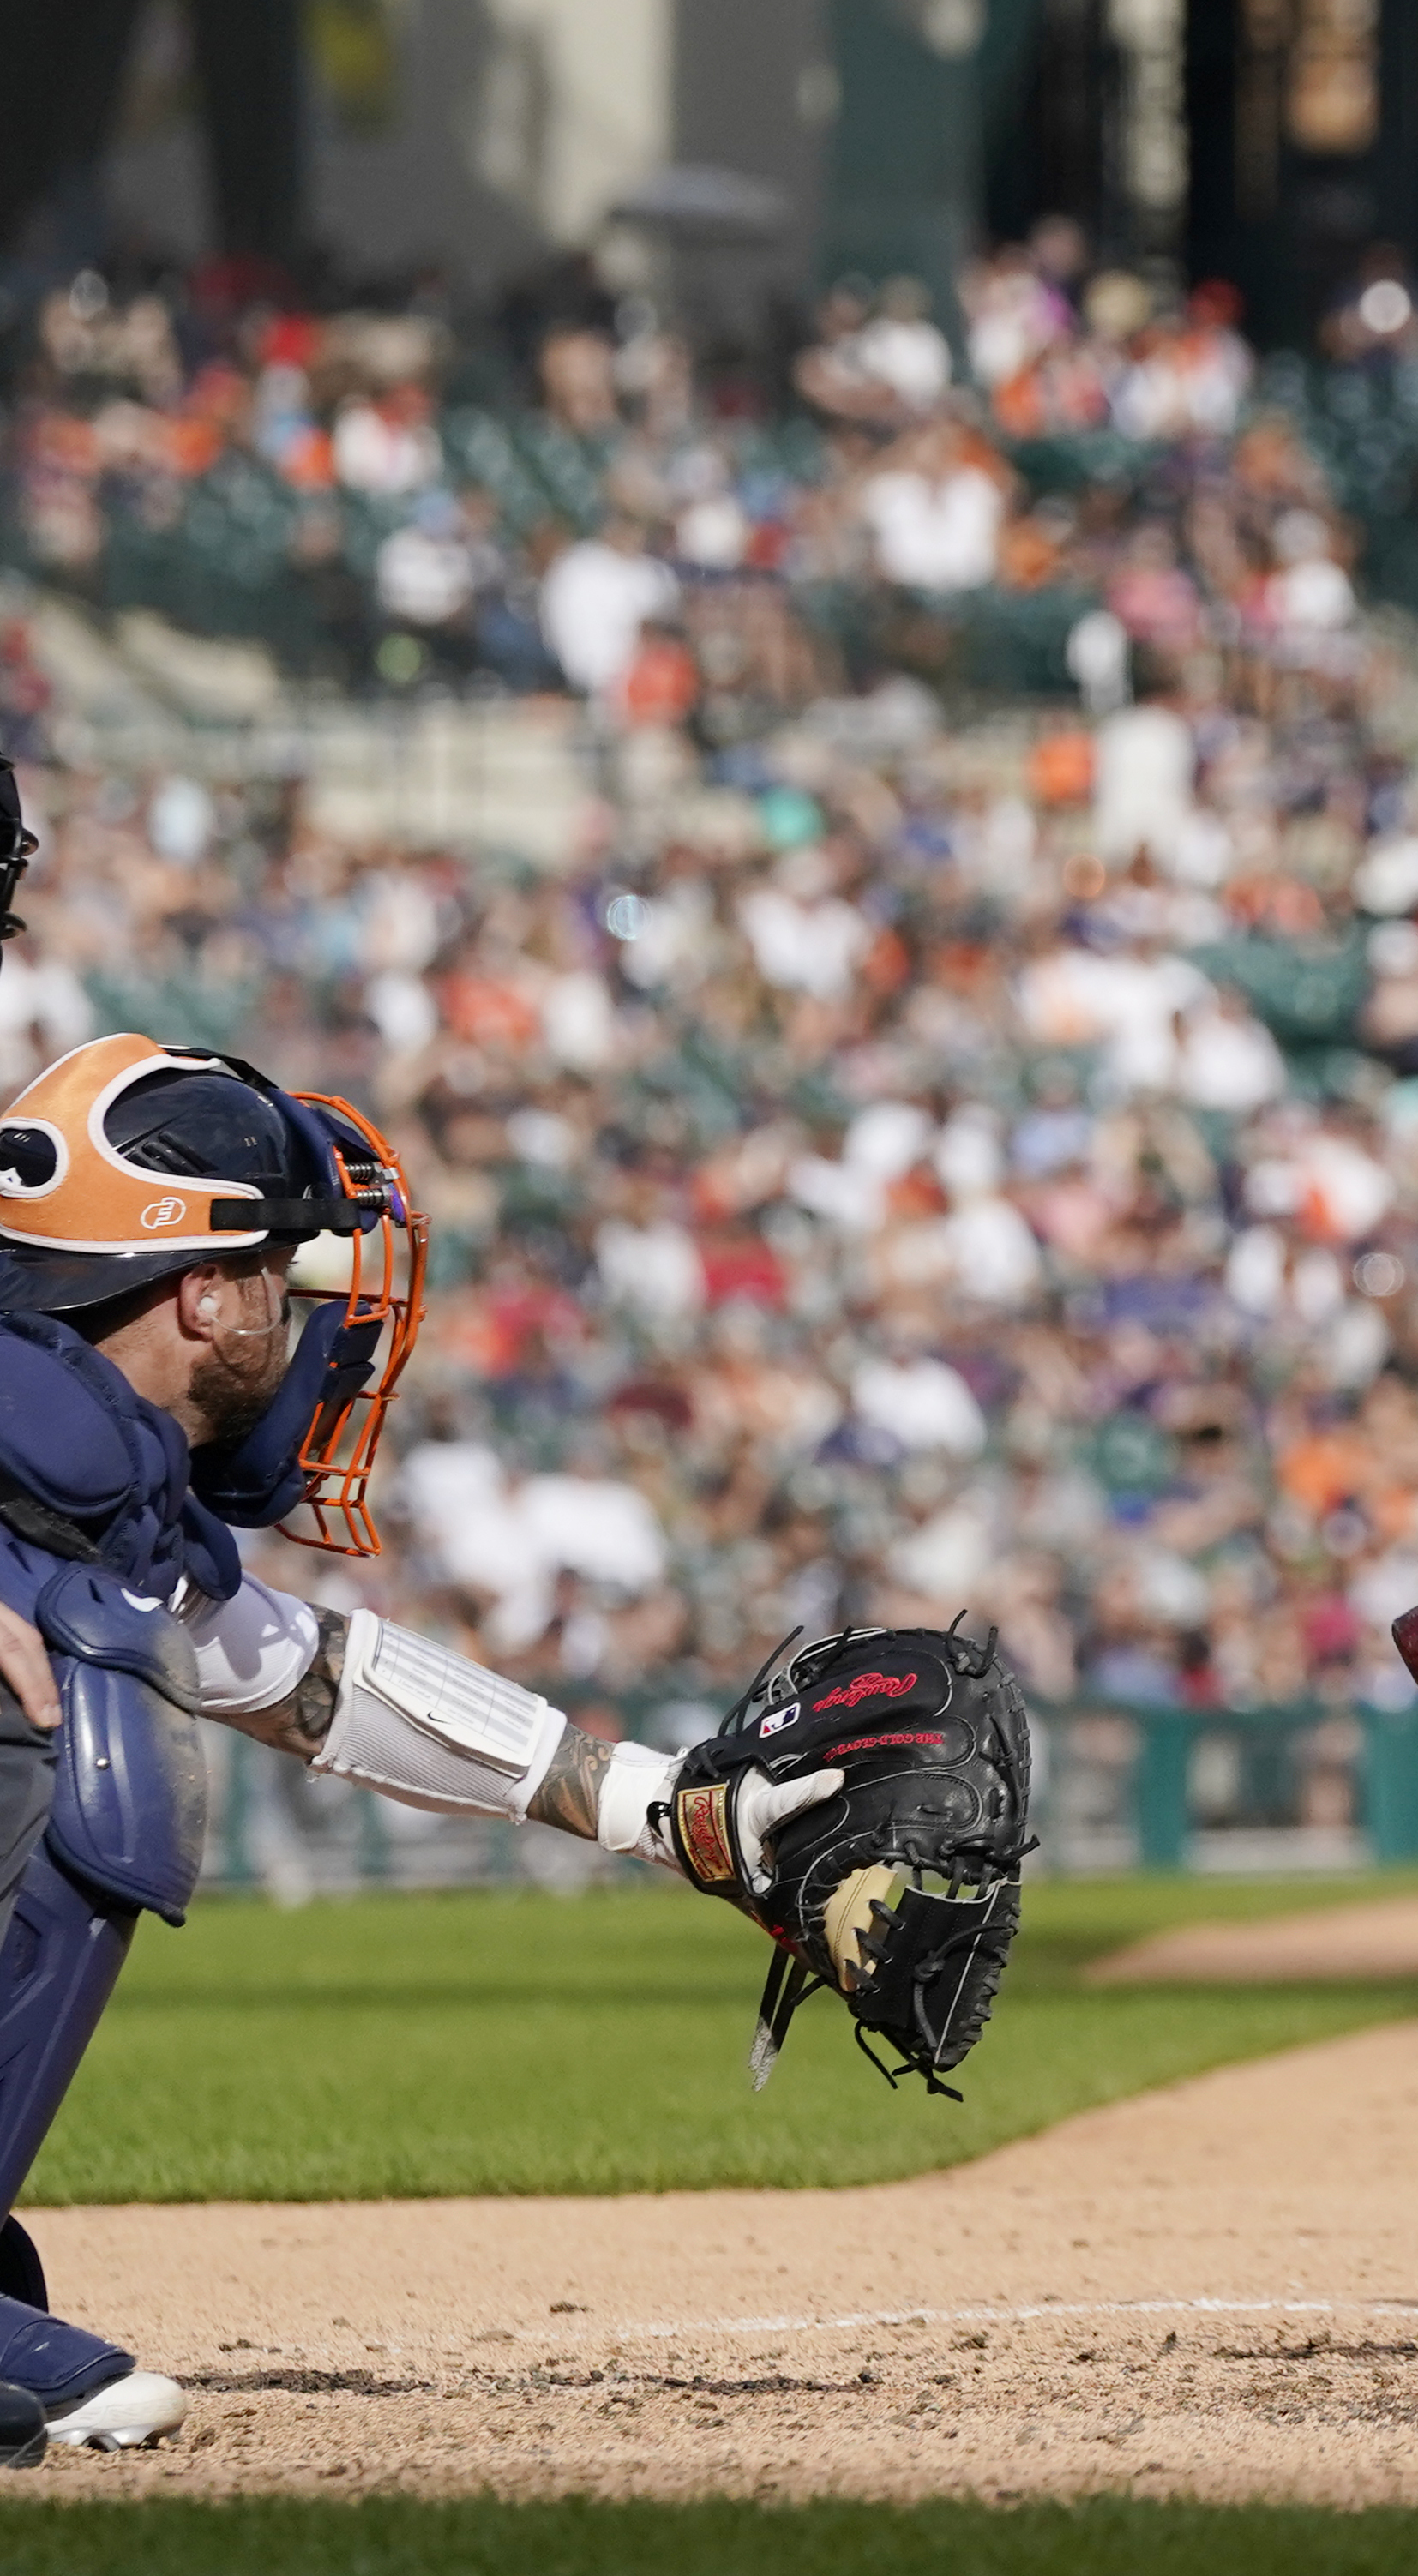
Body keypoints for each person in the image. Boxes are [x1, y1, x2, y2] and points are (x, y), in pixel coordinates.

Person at [0, 1036, 828, 2459]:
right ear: (203, 1292)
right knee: (75, 1709)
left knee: (98, 1650)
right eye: (284, 1274)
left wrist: (656, 1806)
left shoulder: (84, 1480)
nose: (314, 1317)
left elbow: (310, 1676)